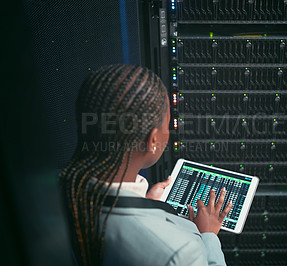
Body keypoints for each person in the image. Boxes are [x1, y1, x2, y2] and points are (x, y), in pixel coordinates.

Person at [60, 64, 232, 266]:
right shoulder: (181, 253)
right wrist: (208, 235)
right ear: (152, 141)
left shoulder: (63, 187)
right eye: (168, 124)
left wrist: (146, 203)